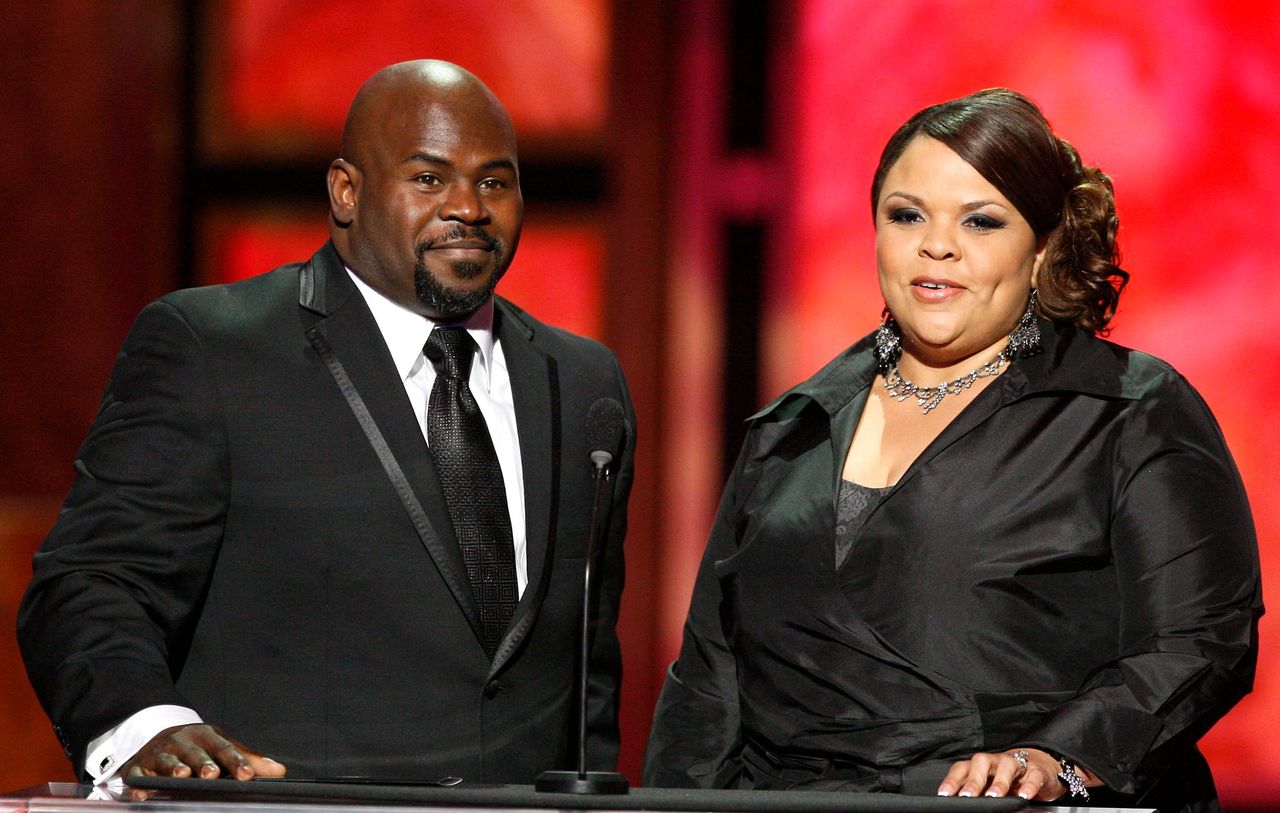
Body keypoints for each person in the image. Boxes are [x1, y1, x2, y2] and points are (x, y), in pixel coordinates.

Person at [19, 60, 635, 796]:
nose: (468, 207)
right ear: (346, 190)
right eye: (430, 179)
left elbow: (586, 674)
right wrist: (142, 722)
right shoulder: (216, 347)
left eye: (495, 182)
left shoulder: (582, 383)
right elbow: (92, 580)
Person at [643, 88, 1261, 812]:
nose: (937, 244)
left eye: (981, 220)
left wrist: (1055, 757)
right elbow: (709, 683)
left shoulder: (1128, 410)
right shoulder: (790, 429)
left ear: (1043, 250)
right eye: (907, 215)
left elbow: (1199, 639)